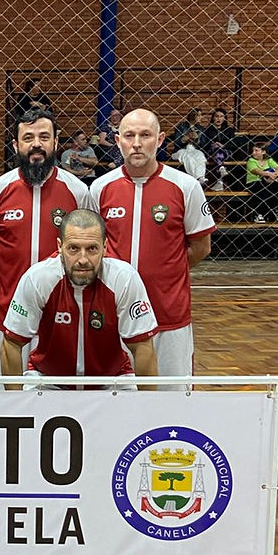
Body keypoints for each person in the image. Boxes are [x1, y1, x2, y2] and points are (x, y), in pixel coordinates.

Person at [91, 107, 215, 382]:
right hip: (112, 314)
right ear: (118, 140)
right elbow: (93, 246)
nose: (137, 143)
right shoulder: (99, 188)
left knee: (171, 401)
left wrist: (166, 273)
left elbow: (201, 246)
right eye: (129, 135)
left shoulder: (185, 187)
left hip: (168, 314)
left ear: (159, 140)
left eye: (145, 135)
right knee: (111, 403)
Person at [0, 107, 92, 375]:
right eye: (28, 137)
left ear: (55, 143)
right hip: (5, 309)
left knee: (56, 396)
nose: (36, 145)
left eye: (44, 137)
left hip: (61, 313)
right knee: (2, 396)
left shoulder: (77, 191)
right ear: (16, 144)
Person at [0, 209, 157, 385]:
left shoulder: (124, 278)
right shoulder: (37, 278)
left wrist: (147, 408)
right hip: (49, 381)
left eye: (92, 249)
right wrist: (16, 405)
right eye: (73, 248)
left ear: (105, 248)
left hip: (111, 380)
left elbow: (142, 347)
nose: (83, 259)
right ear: (60, 246)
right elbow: (11, 344)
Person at [245, 140, 278, 223]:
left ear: (263, 152)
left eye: (256, 150)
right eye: (253, 151)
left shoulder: (269, 160)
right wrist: (267, 174)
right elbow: (255, 171)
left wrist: (274, 175)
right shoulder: (251, 161)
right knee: (263, 191)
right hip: (254, 182)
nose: (253, 153)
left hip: (268, 181)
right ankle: (259, 214)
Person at [203, 107, 236, 190]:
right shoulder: (207, 130)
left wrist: (223, 145)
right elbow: (204, 144)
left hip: (226, 151)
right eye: (217, 116)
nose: (219, 118)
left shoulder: (229, 130)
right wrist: (213, 144)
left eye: (221, 116)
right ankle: (221, 170)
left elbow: (233, 144)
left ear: (224, 118)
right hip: (211, 152)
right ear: (213, 118)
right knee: (216, 150)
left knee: (219, 151)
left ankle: (220, 175)